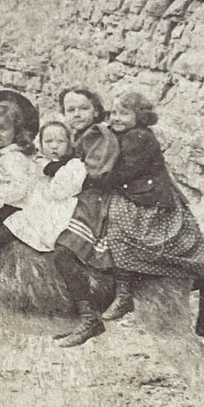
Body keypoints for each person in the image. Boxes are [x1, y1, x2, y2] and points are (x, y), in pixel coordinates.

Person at [97, 91, 204, 321]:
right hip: (137, 189)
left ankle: (124, 292)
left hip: (147, 196)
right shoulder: (125, 134)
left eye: (124, 113)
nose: (116, 118)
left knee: (117, 225)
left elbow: (126, 172)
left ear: (140, 117)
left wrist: (96, 178)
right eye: (114, 113)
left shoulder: (139, 137)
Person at [46, 87, 121, 347]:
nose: (77, 114)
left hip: (95, 199)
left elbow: (98, 172)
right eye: (71, 110)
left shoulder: (99, 134)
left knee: (63, 251)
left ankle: (89, 317)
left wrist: (70, 175)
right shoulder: (79, 136)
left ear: (96, 111)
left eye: (83, 108)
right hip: (81, 195)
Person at [0, 120, 87, 262]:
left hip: (56, 208)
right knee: (13, 220)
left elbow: (62, 190)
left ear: (69, 143)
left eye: (60, 141)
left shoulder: (74, 164)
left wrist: (49, 168)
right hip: (33, 204)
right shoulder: (37, 161)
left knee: (21, 222)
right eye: (48, 141)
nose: (54, 146)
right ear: (41, 144)